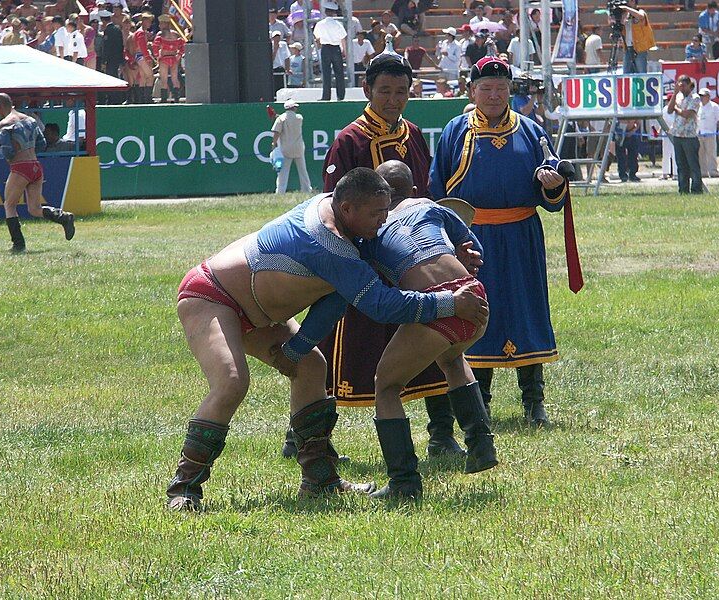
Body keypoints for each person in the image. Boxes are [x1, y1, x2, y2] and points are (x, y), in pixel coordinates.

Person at [166, 167, 488, 510]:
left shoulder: (343, 221)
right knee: (232, 382)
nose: (384, 220)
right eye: (377, 214)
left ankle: (320, 479)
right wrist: (450, 302)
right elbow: (381, 305)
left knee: (311, 367)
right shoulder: (329, 243)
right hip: (212, 295)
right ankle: (184, 488)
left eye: (386, 211)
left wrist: (297, 347)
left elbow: (337, 297)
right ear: (347, 209)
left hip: (258, 311)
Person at [304, 53, 468, 460]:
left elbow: (425, 196)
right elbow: (333, 207)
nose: (393, 100)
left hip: (411, 258)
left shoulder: (413, 133)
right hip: (361, 263)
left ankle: (442, 435)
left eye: (401, 92)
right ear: (367, 91)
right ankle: (308, 436)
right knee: (338, 348)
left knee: (432, 341)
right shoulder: (350, 140)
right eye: (385, 92)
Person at [430, 56, 583, 426]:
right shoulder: (455, 132)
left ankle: (534, 402)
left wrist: (554, 185)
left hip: (521, 238)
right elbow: (437, 192)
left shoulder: (532, 132)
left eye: (501, 88)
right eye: (486, 88)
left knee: (525, 311)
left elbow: (552, 199)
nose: (494, 95)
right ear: (472, 91)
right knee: (476, 315)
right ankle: (478, 399)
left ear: (510, 90)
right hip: (474, 241)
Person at [366, 160, 497, 499]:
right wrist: (458, 255)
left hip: (437, 305)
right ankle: (481, 445)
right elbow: (473, 250)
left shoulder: (372, 227)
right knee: (452, 359)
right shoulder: (429, 206)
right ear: (413, 190)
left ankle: (404, 483)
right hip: (474, 294)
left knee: (387, 385)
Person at [0, 93, 75, 253]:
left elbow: (7, 150)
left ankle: (19, 245)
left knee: (9, 205)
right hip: (36, 166)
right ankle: (64, 217)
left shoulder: (5, 123)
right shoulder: (30, 119)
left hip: (20, 167)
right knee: (34, 208)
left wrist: (13, 159)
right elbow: (42, 143)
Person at [667, 74, 703, 194]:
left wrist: (677, 109)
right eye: (679, 85)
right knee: (681, 165)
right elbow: (669, 109)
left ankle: (696, 189)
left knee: (693, 165)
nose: (681, 88)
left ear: (688, 85)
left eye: (683, 86)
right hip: (677, 134)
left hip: (689, 136)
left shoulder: (695, 97)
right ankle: (683, 189)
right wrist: (674, 94)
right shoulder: (678, 97)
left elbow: (688, 114)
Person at [271, 99, 313, 194]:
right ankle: (306, 189)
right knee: (303, 171)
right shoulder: (299, 118)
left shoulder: (281, 119)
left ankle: (280, 191)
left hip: (286, 149)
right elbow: (289, 120)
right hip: (298, 148)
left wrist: (273, 143)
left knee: (283, 173)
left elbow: (277, 132)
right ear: (293, 108)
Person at [313, 1, 347, 101]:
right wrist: (344, 51)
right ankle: (340, 96)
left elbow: (317, 37)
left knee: (326, 73)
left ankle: (326, 96)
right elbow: (343, 38)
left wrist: (320, 46)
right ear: (333, 12)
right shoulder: (338, 24)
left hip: (325, 48)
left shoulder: (320, 24)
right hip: (336, 48)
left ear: (325, 11)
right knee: (339, 73)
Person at [152, 14, 185, 102]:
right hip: (174, 58)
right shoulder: (175, 34)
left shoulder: (160, 34)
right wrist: (179, 55)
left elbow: (155, 46)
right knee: (175, 78)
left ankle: (164, 99)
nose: (159, 26)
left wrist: (157, 56)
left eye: (161, 24)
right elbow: (182, 45)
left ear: (164, 23)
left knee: (164, 79)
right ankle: (176, 98)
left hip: (164, 58)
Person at [619, 0, 655, 74]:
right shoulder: (625, 15)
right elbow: (619, 25)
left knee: (641, 72)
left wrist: (626, 8)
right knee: (626, 73)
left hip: (639, 48)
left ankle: (642, 85)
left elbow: (640, 16)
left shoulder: (640, 11)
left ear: (634, 1)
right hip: (627, 47)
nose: (627, 3)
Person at [696, 88, 719, 178]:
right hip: (699, 133)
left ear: (708, 96)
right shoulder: (698, 106)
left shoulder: (714, 106)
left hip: (710, 133)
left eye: (703, 96)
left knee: (711, 153)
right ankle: (703, 172)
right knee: (701, 153)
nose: (701, 97)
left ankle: (713, 171)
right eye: (700, 96)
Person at [100, 10, 125, 103]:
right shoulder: (117, 29)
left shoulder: (108, 30)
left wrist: (103, 61)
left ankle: (112, 99)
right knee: (116, 78)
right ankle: (118, 99)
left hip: (110, 60)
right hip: (117, 59)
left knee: (111, 79)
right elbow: (121, 45)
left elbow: (106, 48)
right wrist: (121, 61)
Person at [133, 12, 155, 103]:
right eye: (149, 21)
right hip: (142, 56)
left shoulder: (140, 32)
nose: (150, 23)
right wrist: (148, 57)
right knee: (150, 76)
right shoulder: (141, 33)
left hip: (138, 56)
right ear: (144, 21)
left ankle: (141, 99)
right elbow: (143, 47)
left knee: (142, 77)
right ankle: (148, 98)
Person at [660, 93, 677, 180]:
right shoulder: (665, 109)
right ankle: (665, 173)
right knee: (666, 153)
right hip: (666, 134)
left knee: (674, 154)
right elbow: (661, 120)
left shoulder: (676, 109)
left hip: (673, 133)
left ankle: (674, 173)